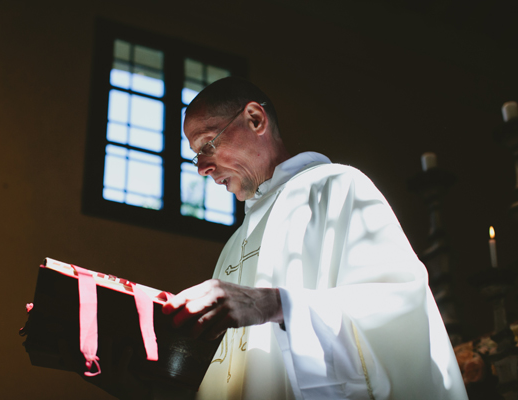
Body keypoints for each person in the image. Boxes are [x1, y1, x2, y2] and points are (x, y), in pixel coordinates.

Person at [162, 77, 468, 399]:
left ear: (255, 119)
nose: (202, 168)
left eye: (208, 145)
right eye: (196, 155)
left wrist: (276, 305)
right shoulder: (233, 245)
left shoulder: (337, 187)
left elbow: (397, 312)